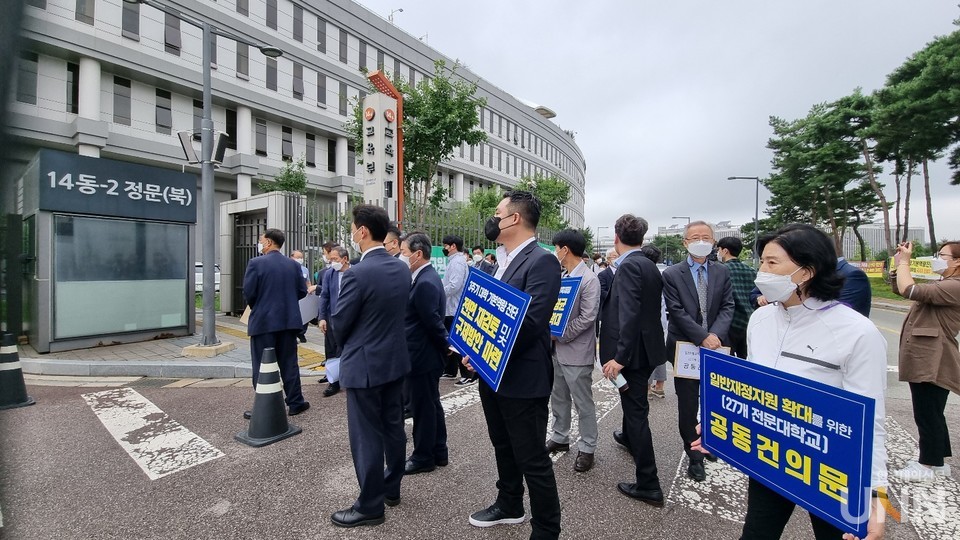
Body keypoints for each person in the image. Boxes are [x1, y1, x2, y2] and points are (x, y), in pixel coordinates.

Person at [695, 223, 888, 540]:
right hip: (772, 456)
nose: (762, 271)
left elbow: (872, 422)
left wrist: (876, 499)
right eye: (762, 262)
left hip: (832, 470)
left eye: (772, 263)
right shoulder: (761, 320)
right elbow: (753, 390)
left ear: (806, 271)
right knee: (757, 533)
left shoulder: (857, 333)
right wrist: (719, 426)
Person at [465, 190, 562, 539]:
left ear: (515, 219)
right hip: (494, 375)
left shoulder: (542, 261)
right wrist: (475, 349)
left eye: (497, 213)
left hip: (522, 377)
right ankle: (509, 504)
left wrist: (488, 351)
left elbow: (532, 322)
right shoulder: (500, 260)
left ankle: (547, 529)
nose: (493, 219)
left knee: (532, 457)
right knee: (502, 444)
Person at [329, 205, 411, 528]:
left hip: (364, 365)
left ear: (362, 231)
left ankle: (370, 505)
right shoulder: (401, 269)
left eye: (352, 227)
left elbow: (340, 323)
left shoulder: (356, 275)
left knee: (366, 436)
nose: (351, 231)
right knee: (394, 427)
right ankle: (391, 488)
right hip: (394, 360)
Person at [599, 215, 668, 507]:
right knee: (634, 410)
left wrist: (619, 358)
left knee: (636, 412)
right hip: (647, 350)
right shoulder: (649, 264)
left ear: (616, 237)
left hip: (632, 355)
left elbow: (628, 315)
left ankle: (649, 484)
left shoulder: (627, 267)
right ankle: (627, 436)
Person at [661, 220, 734, 482]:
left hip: (716, 346)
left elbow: (728, 306)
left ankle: (710, 443)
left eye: (706, 237)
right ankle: (693, 454)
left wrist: (714, 336)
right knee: (689, 403)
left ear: (714, 242)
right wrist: (702, 337)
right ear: (685, 242)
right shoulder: (671, 274)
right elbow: (676, 312)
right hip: (686, 349)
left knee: (713, 400)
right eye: (695, 237)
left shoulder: (722, 272)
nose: (700, 241)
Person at [891, 240, 960, 483]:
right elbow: (901, 288)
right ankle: (937, 461)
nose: (936, 259)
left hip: (934, 357)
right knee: (931, 411)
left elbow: (910, 291)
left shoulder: (955, 286)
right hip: (929, 355)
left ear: (957, 261)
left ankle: (927, 464)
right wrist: (898, 266)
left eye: (942, 255)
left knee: (927, 412)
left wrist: (907, 263)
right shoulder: (946, 283)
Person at [546, 229, 601, 472]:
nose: (555, 252)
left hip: (576, 351)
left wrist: (560, 334)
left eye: (556, 247)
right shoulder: (562, 275)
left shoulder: (589, 279)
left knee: (583, 402)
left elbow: (588, 317)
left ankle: (587, 447)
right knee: (558, 397)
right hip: (557, 350)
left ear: (565, 249)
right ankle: (560, 436)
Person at [242, 229, 310, 417]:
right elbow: (301, 292)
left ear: (269, 242)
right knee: (289, 363)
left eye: (261, 240)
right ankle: (296, 402)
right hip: (289, 321)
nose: (259, 243)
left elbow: (249, 292)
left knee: (263, 365)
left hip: (263, 322)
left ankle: (266, 407)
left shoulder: (256, 263)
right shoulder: (293, 265)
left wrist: (260, 305)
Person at [400, 232, 450, 474]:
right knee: (431, 405)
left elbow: (433, 323)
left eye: (403, 252)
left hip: (422, 357)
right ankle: (439, 451)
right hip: (423, 355)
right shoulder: (423, 277)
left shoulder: (425, 282)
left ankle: (423, 457)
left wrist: (448, 348)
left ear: (418, 254)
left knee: (423, 409)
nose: (401, 256)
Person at [716, 237, 756, 359]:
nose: (718, 253)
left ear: (725, 251)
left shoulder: (721, 270)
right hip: (749, 322)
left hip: (729, 323)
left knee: (726, 363)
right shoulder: (751, 271)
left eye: (719, 250)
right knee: (747, 360)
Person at [440, 234, 473, 384]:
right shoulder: (454, 261)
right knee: (451, 341)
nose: (444, 248)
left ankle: (467, 374)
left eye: (446, 245)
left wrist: (439, 292)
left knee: (458, 342)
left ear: (453, 246)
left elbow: (455, 285)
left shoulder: (458, 262)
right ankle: (450, 370)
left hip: (455, 308)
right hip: (450, 307)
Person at [317, 246, 349, 397]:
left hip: (351, 319)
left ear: (345, 259)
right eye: (330, 259)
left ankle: (349, 378)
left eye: (335, 259)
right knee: (331, 350)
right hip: (332, 318)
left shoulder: (355, 272)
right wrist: (322, 317)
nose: (332, 262)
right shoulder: (329, 274)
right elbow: (324, 296)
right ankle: (333, 382)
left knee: (348, 349)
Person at [640, 244, 669, 398]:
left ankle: (647, 388)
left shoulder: (642, 274)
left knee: (647, 355)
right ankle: (660, 386)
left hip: (647, 323)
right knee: (659, 353)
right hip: (661, 321)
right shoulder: (661, 273)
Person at [291, 250, 312, 343]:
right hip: (292, 295)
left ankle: (301, 333)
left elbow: (308, 281)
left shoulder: (305, 269)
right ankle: (293, 334)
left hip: (303, 295)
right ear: (292, 257)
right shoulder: (289, 267)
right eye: (298, 257)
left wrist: (310, 289)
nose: (300, 259)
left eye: (301, 257)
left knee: (305, 315)